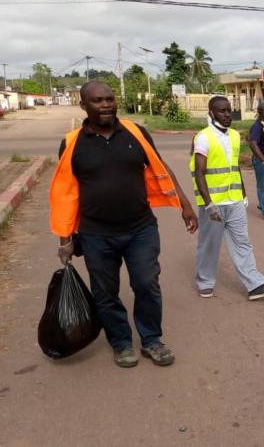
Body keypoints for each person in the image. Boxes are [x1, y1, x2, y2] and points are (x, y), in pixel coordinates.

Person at [51, 81, 198, 368]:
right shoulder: (71, 144)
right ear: (83, 105)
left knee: (146, 284)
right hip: (96, 235)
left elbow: (160, 166)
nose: (106, 104)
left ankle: (152, 339)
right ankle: (120, 342)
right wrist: (65, 239)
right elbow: (65, 193)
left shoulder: (135, 132)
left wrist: (184, 204)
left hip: (140, 229)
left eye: (109, 99)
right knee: (105, 293)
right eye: (97, 101)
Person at [191, 96, 264, 301]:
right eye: (222, 111)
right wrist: (209, 204)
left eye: (229, 110)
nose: (227, 114)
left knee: (242, 242)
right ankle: (205, 282)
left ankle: (255, 284)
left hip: (234, 201)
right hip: (213, 203)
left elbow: (234, 168)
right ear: (211, 113)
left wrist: (242, 194)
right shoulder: (203, 137)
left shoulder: (233, 136)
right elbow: (199, 172)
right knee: (209, 245)